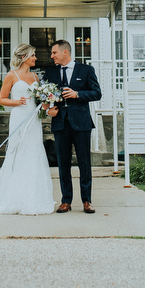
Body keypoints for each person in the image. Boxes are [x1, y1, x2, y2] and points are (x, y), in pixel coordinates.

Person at [0, 43, 55, 215]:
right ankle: (13, 196)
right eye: (33, 55)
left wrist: (47, 104)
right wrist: (16, 102)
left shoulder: (35, 77)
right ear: (24, 57)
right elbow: (2, 99)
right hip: (19, 117)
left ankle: (33, 195)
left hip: (33, 120)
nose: (35, 58)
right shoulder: (11, 75)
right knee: (19, 152)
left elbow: (40, 100)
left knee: (33, 152)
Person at [42, 40, 102, 214]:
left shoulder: (86, 70)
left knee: (84, 163)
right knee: (63, 164)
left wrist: (78, 94)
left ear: (65, 52)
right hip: (60, 123)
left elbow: (96, 93)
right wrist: (48, 108)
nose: (52, 56)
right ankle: (65, 201)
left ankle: (87, 201)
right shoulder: (50, 72)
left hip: (81, 123)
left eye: (54, 53)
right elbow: (43, 96)